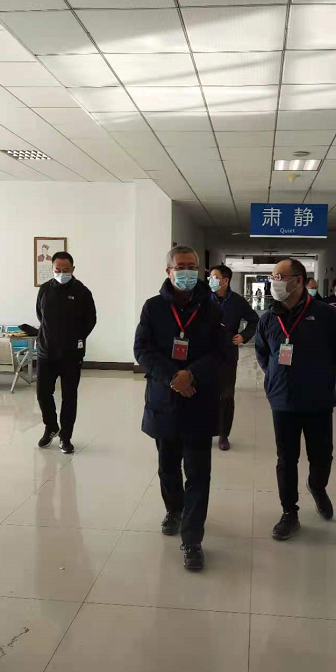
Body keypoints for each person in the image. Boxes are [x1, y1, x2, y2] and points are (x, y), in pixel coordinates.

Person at [134, 245, 225, 572]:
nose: (186, 272)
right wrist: (174, 376)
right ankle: (174, 510)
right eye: (180, 266)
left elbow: (221, 353)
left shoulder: (212, 309)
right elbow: (142, 349)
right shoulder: (153, 307)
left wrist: (191, 375)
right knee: (168, 467)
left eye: (191, 266)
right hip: (165, 398)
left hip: (199, 399)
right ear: (168, 271)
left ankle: (192, 539)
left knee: (198, 474)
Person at [255, 259, 336, 540]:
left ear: (298, 280)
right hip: (282, 399)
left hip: (317, 397)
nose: (274, 282)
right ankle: (289, 512)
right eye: (273, 276)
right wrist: (277, 378)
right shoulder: (268, 318)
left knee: (321, 454)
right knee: (286, 458)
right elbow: (263, 353)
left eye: (280, 277)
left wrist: (324, 376)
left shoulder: (325, 314)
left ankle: (317, 487)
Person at [36, 252, 96, 454]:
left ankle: (66, 437)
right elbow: (40, 315)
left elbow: (91, 320)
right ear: (52, 269)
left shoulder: (82, 292)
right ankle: (51, 426)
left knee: (69, 396)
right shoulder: (45, 289)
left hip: (71, 354)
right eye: (58, 270)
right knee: (43, 393)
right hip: (46, 351)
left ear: (73, 269)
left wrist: (76, 338)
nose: (62, 273)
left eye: (66, 270)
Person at [208, 264, 259, 451]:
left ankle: (223, 434)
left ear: (225, 281)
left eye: (214, 277)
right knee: (205, 393)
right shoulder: (203, 298)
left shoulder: (237, 301)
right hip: (205, 352)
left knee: (226, 395)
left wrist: (244, 336)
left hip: (227, 353)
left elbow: (254, 320)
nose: (211, 280)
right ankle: (205, 431)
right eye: (210, 277)